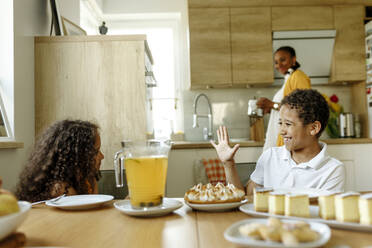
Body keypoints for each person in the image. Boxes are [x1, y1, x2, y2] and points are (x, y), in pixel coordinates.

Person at [211, 89, 345, 194]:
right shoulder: (270, 156)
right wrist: (228, 164)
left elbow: (324, 215)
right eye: (280, 123)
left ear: (313, 128)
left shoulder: (332, 170)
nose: (282, 131)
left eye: (288, 124)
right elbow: (246, 196)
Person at [16, 120, 104, 202]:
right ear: (75, 156)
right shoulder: (61, 189)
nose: (102, 156)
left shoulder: (86, 179)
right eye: (96, 151)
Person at [257, 46, 311, 151]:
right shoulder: (289, 79)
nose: (278, 65)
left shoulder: (298, 77)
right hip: (280, 135)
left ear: (293, 60)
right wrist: (272, 110)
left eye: (283, 60)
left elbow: (303, 107)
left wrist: (272, 105)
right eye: (276, 62)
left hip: (289, 138)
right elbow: (288, 106)